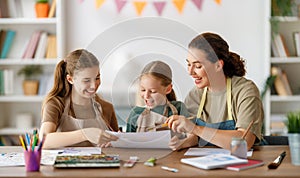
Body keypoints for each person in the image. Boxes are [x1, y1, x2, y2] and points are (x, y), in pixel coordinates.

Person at [166, 32, 264, 150]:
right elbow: (195, 137)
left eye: (197, 66)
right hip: (207, 162)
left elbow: (244, 142)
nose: (190, 72)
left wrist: (195, 129)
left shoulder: (245, 91)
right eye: (188, 64)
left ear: (218, 65)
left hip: (244, 162)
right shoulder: (195, 95)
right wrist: (184, 142)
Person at [39, 49, 119, 149]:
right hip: (64, 164)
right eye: (86, 80)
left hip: (100, 163)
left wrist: (115, 142)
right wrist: (85, 134)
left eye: (97, 78)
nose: (94, 86)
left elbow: (117, 142)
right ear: (70, 79)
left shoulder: (106, 107)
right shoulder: (56, 104)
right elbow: (44, 140)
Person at [126, 60, 196, 150]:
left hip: (173, 161)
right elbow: (127, 143)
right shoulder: (136, 113)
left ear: (168, 89)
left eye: (153, 91)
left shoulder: (179, 108)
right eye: (143, 90)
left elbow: (194, 138)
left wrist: (182, 143)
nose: (146, 96)